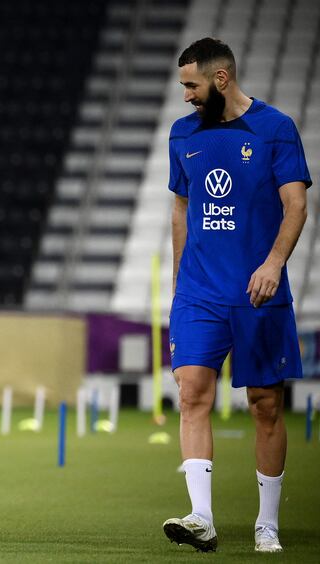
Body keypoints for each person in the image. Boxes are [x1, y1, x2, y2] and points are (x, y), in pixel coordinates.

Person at [163, 37, 312, 553]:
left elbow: (296, 206)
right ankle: (201, 516)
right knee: (191, 394)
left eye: (192, 85)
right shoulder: (182, 135)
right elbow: (181, 209)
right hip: (199, 293)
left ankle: (266, 522)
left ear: (220, 79)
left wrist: (273, 264)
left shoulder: (275, 128)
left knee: (265, 405)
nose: (185, 95)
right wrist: (180, 283)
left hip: (257, 292)